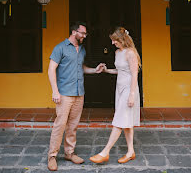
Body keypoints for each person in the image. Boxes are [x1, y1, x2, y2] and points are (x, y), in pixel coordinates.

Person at [47, 21, 104, 171]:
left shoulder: (82, 50)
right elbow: (51, 69)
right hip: (64, 93)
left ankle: (69, 153)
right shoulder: (60, 48)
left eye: (85, 34)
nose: (85, 36)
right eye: (83, 33)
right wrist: (55, 91)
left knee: (73, 126)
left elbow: (81, 68)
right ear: (74, 32)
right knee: (60, 125)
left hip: (79, 93)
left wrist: (94, 70)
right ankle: (52, 156)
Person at [90, 27, 141, 164]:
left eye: (114, 40)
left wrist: (132, 95)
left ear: (122, 39)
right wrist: (107, 70)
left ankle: (105, 152)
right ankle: (130, 152)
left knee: (119, 120)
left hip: (129, 89)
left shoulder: (130, 53)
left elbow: (134, 74)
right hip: (119, 89)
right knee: (126, 120)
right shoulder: (118, 52)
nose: (112, 43)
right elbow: (120, 71)